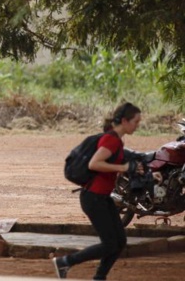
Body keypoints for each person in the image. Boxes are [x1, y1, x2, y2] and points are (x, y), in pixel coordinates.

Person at [53, 102, 145, 280]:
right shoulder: (111, 140)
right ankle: (66, 261)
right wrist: (124, 167)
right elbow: (94, 164)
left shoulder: (117, 140)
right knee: (110, 244)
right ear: (125, 121)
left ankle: (99, 277)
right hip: (93, 198)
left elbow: (109, 167)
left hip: (102, 197)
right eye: (136, 121)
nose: (137, 126)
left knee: (120, 241)